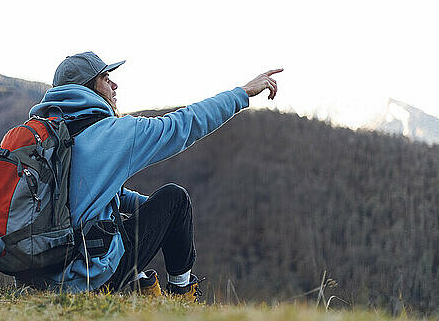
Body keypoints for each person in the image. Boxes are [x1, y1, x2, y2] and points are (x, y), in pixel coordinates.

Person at [25, 51, 283, 299]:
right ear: (87, 87)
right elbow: (185, 123)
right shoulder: (113, 134)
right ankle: (181, 294)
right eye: (105, 78)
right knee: (176, 198)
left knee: (138, 215)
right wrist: (242, 93)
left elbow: (92, 194)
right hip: (85, 280)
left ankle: (142, 284)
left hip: (38, 274)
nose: (114, 84)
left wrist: (154, 212)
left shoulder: (43, 137)